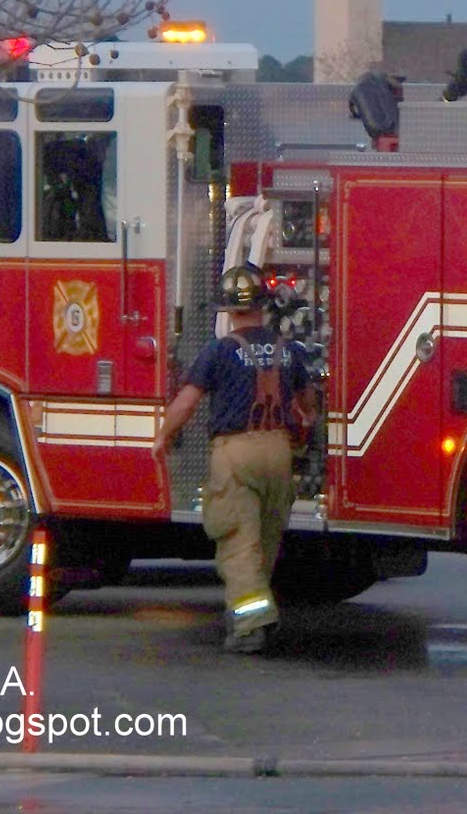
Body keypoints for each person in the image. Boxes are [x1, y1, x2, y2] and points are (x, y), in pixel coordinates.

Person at [151, 263, 315, 654]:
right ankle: (253, 610)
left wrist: (163, 437)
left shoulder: (219, 351)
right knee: (266, 539)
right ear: (262, 306)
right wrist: (302, 429)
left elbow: (186, 404)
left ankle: (251, 625)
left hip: (235, 453)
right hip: (278, 451)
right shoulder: (287, 350)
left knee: (239, 543)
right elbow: (308, 403)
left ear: (229, 310)